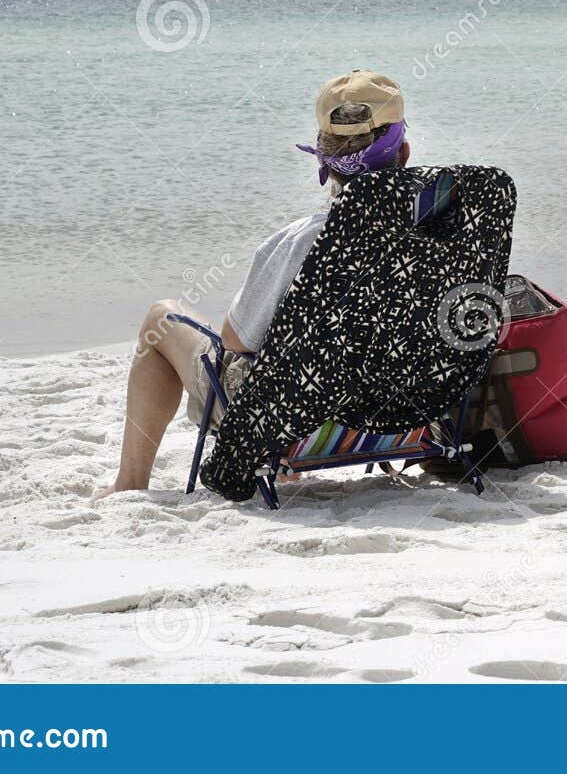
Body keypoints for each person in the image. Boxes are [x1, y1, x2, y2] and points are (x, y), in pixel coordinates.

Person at [95, 71, 409, 499]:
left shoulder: (305, 239)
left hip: (297, 422)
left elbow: (236, 339)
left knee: (162, 317)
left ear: (323, 161)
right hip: (408, 411)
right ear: (403, 153)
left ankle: (129, 484)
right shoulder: (448, 232)